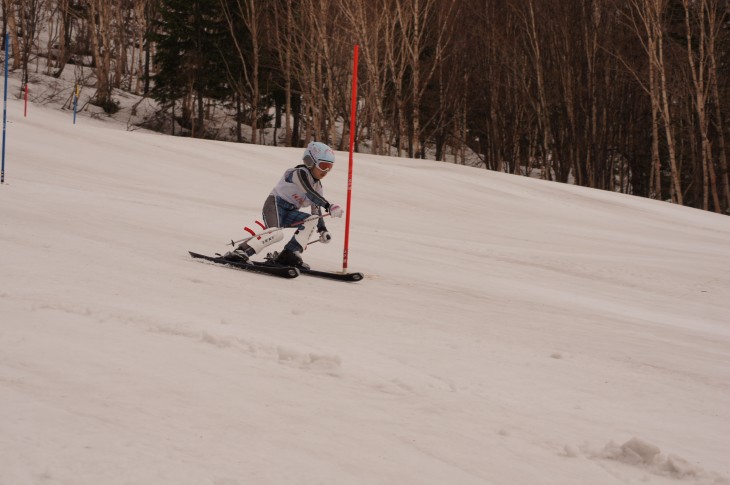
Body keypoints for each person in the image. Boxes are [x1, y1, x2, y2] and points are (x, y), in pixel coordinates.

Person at [224, 141, 343, 268]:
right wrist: (328, 206)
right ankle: (241, 251)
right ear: (310, 161)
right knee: (276, 233)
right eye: (323, 165)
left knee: (311, 219)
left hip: (291, 211)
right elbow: (309, 192)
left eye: (329, 167)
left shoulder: (318, 186)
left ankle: (289, 254)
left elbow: (316, 211)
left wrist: (322, 230)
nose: (326, 171)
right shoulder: (298, 173)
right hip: (275, 205)